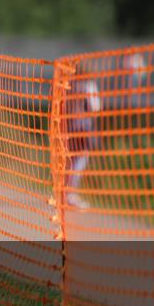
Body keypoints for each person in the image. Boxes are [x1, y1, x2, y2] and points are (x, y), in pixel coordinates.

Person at [65, 79, 101, 209]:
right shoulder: (88, 85)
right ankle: (70, 193)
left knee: (72, 160)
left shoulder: (71, 85)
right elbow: (95, 108)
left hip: (71, 126)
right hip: (82, 127)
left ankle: (66, 192)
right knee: (79, 160)